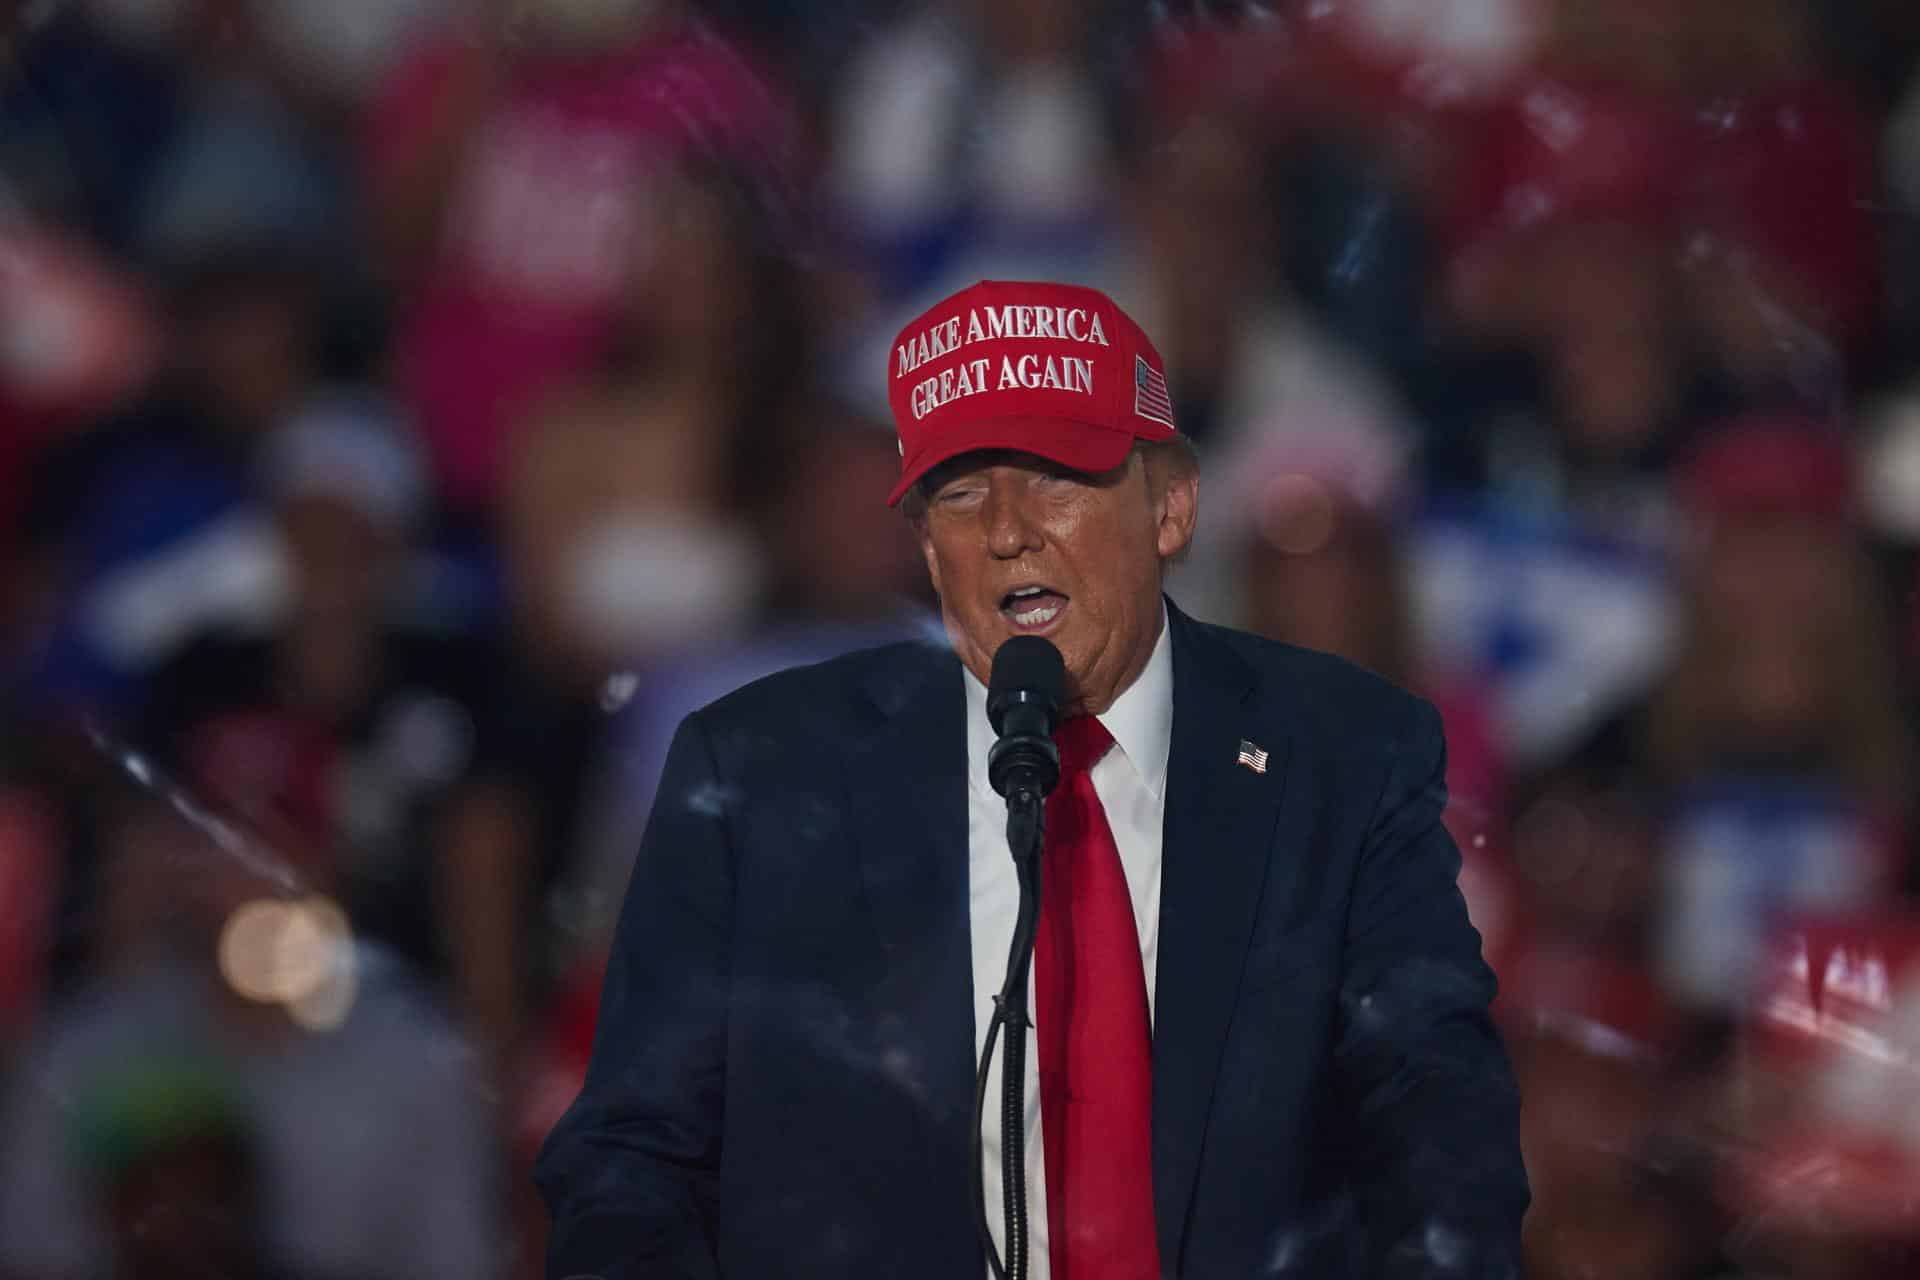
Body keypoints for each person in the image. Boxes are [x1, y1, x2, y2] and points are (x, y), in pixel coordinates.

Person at [535, 279, 1527, 1277]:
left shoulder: (1344, 763)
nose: (1007, 529)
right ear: (926, 543)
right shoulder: (757, 772)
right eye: (962, 490)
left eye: (1057, 477)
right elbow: (631, 1156)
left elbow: (1443, 1142)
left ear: (1171, 506)